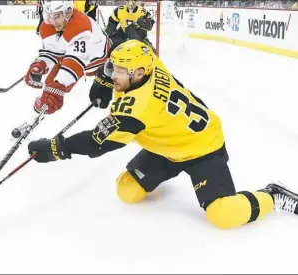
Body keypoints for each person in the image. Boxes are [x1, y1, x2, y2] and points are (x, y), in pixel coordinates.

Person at [27, 40, 298, 229]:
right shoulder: (149, 61)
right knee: (127, 191)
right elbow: (130, 45)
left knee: (222, 215)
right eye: (115, 67)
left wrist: (56, 147)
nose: (115, 73)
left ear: (139, 73)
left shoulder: (136, 109)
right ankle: (167, 170)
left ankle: (272, 195)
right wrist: (104, 79)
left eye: (121, 71)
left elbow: (98, 143)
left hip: (203, 146)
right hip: (168, 144)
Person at [24, 0, 110, 115]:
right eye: (50, 16)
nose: (52, 21)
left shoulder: (81, 27)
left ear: (68, 12)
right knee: (51, 86)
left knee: (56, 85)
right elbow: (54, 51)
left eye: (57, 16)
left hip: (97, 60)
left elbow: (74, 64)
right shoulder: (48, 25)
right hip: (74, 54)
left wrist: (57, 88)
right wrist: (41, 63)